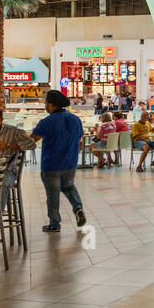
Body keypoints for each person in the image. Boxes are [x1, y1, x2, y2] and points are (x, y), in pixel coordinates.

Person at [31, 90, 86, 234]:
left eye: (46, 103)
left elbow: (32, 140)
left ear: (50, 105)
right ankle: (78, 209)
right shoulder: (75, 119)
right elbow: (79, 142)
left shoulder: (46, 122)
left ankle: (54, 223)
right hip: (70, 163)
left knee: (53, 194)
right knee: (69, 187)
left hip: (51, 164)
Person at [0, 105, 35, 232]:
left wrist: (10, 146)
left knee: (2, 184)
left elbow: (32, 144)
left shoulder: (12, 131)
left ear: (1, 120)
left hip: (6, 169)